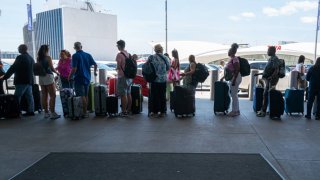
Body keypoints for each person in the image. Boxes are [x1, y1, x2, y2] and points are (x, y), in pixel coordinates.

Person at [0, 44, 35, 116]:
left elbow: (13, 68)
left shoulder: (20, 57)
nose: (18, 49)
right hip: (29, 80)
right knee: (29, 96)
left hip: (21, 80)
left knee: (17, 97)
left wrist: (5, 77)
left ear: (21, 49)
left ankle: (16, 112)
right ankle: (31, 111)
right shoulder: (31, 58)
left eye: (18, 48)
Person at [68, 42, 97, 118]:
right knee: (86, 95)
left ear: (74, 48)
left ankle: (84, 112)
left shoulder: (75, 56)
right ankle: (85, 111)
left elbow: (74, 68)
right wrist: (94, 72)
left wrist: (70, 76)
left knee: (81, 95)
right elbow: (95, 64)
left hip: (79, 78)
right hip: (87, 78)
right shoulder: (88, 55)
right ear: (81, 46)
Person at [256, 46, 281, 117]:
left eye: (268, 50)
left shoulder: (275, 59)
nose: (267, 52)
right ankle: (268, 110)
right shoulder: (271, 59)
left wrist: (271, 77)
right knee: (267, 94)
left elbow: (276, 70)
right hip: (268, 79)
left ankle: (264, 111)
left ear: (273, 51)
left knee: (266, 94)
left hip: (272, 80)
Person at [37, 45, 61, 119]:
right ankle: (53, 113)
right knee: (53, 95)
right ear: (46, 50)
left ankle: (46, 113)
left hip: (41, 77)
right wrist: (57, 73)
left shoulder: (38, 58)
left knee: (44, 95)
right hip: (48, 76)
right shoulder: (48, 57)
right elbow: (51, 68)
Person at [148, 44, 170, 117]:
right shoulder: (166, 58)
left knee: (154, 96)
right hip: (163, 79)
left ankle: (154, 111)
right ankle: (163, 111)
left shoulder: (151, 57)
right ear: (161, 50)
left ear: (155, 50)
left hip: (154, 79)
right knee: (162, 95)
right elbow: (168, 68)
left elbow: (147, 67)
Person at [222, 43, 242, 117]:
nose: (228, 52)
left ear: (232, 52)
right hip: (233, 77)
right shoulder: (232, 59)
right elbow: (229, 71)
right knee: (234, 95)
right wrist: (223, 77)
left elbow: (237, 70)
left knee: (234, 95)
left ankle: (234, 111)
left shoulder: (235, 59)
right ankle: (237, 110)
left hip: (235, 78)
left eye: (229, 51)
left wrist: (234, 80)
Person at [116, 40, 133, 116]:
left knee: (123, 94)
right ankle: (128, 109)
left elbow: (118, 66)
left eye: (117, 46)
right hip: (129, 76)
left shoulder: (119, 55)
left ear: (119, 46)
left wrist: (117, 68)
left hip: (122, 76)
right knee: (128, 93)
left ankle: (123, 111)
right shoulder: (128, 54)